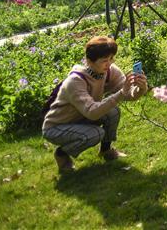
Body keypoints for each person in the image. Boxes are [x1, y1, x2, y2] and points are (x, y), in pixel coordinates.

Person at [43, 35, 147, 172]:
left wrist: (141, 88)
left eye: (111, 58)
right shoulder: (75, 81)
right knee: (95, 134)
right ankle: (62, 153)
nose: (109, 63)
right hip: (57, 127)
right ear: (89, 61)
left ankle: (106, 151)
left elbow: (128, 94)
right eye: (105, 60)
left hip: (82, 117)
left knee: (113, 112)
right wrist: (121, 92)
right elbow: (92, 113)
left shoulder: (109, 71)